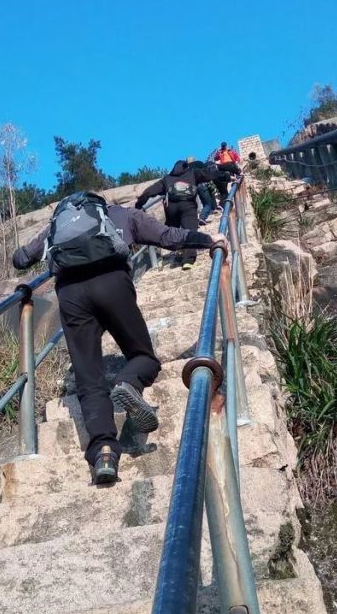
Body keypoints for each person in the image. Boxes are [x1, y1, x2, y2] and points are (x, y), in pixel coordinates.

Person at [12, 191, 227, 484]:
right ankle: (129, 381)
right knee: (143, 357)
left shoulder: (55, 226)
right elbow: (167, 236)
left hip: (71, 294)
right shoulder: (123, 215)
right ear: (101, 204)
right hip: (113, 283)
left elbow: (21, 259)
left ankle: (103, 452)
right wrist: (207, 240)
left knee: (88, 378)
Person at [134, 160, 217, 268]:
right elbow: (208, 174)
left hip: (171, 208)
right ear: (186, 167)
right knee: (190, 230)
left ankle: (179, 251)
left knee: (172, 230)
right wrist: (225, 175)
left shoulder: (167, 178)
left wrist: (139, 204)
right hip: (188, 206)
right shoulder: (192, 173)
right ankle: (188, 259)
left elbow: (150, 191)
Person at [185, 156, 217, 224]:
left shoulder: (186, 168)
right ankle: (203, 217)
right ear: (194, 159)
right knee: (207, 204)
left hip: (194, 187)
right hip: (204, 184)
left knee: (202, 202)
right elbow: (207, 171)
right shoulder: (199, 163)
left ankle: (201, 216)